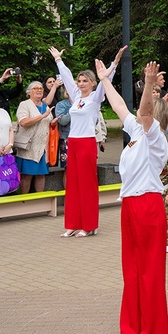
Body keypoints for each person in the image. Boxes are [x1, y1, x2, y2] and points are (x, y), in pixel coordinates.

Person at [97, 59, 168, 334]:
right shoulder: (135, 133)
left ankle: (153, 330)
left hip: (148, 206)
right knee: (132, 269)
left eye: (148, 112)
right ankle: (132, 326)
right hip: (129, 205)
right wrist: (104, 80)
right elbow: (119, 107)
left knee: (149, 270)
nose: (139, 114)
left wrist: (150, 82)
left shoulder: (155, 137)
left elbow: (143, 111)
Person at [52, 46, 123, 237]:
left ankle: (90, 225)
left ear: (92, 83)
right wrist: (59, 60)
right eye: (79, 81)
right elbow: (66, 78)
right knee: (73, 186)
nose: (81, 84)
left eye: (85, 81)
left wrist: (114, 64)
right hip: (72, 142)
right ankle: (73, 224)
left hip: (86, 143)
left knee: (87, 185)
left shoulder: (95, 97)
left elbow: (105, 81)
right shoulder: (75, 98)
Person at [13, 80, 58, 194]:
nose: (39, 90)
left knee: (41, 175)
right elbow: (23, 122)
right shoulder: (24, 105)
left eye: (41, 89)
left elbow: (47, 122)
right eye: (35, 88)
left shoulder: (45, 106)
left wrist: (53, 122)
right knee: (27, 176)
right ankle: (25, 201)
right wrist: (42, 116)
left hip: (43, 147)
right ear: (29, 92)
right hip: (29, 147)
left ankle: (40, 201)